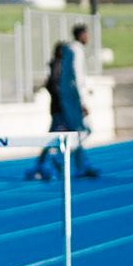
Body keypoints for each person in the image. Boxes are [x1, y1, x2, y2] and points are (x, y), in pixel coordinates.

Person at [28, 41, 99, 180]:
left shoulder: (59, 66)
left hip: (62, 108)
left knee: (72, 136)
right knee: (67, 136)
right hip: (61, 110)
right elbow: (56, 87)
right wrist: (69, 102)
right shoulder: (59, 66)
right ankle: (50, 164)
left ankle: (76, 165)